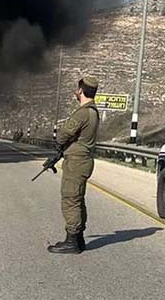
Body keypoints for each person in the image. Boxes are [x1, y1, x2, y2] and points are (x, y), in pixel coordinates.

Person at [48, 75, 100, 254]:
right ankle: (78, 238)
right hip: (84, 160)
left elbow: (64, 134)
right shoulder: (94, 112)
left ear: (80, 91)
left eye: (78, 90)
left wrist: (59, 143)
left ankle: (72, 241)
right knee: (78, 199)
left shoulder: (83, 112)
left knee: (70, 199)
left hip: (76, 162)